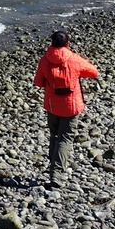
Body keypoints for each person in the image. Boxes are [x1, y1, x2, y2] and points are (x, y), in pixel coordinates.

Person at [35, 30, 100, 186]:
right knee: (65, 138)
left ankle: (54, 164)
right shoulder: (74, 59)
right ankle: (55, 173)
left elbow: (37, 82)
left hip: (52, 105)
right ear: (67, 44)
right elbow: (94, 72)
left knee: (55, 136)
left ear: (51, 43)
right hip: (71, 106)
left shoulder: (44, 61)